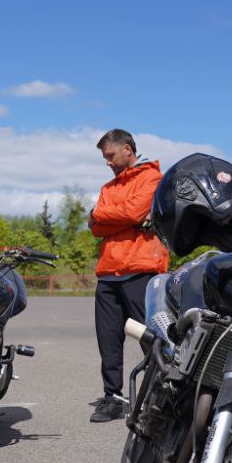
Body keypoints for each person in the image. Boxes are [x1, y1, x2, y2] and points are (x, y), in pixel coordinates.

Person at [86, 128, 168, 423]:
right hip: (108, 273)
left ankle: (163, 396)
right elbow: (96, 227)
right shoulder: (108, 188)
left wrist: (104, 215)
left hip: (141, 270)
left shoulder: (152, 178)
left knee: (152, 339)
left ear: (128, 149)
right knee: (108, 340)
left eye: (110, 155)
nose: (107, 162)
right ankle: (113, 398)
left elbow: (130, 214)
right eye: (104, 157)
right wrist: (119, 218)